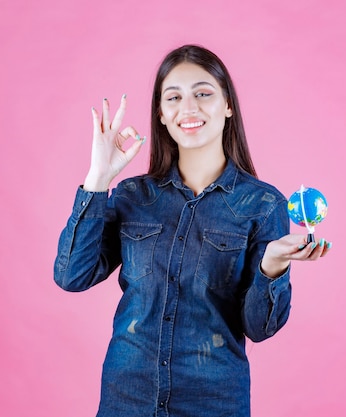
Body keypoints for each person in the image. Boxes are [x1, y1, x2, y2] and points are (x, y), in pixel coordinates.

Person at [54, 44, 331, 417]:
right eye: (174, 97)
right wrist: (98, 179)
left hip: (213, 402)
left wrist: (272, 267)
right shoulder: (133, 196)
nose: (189, 108)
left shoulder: (264, 205)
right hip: (126, 399)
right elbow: (72, 275)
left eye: (203, 93)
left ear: (228, 105)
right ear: (162, 114)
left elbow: (259, 328)